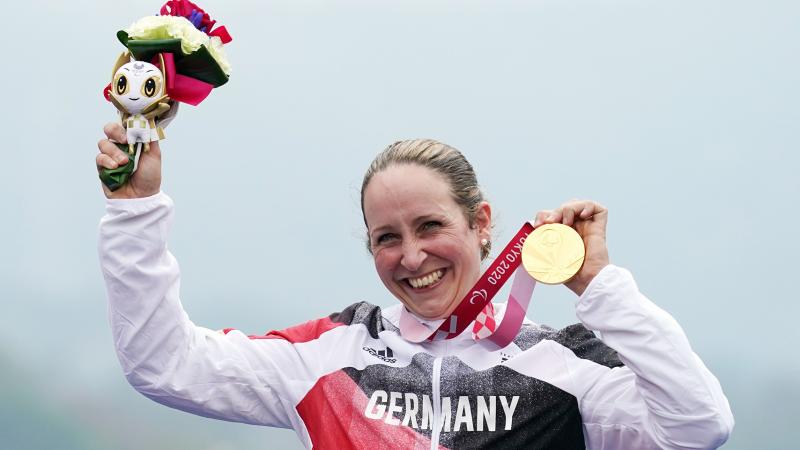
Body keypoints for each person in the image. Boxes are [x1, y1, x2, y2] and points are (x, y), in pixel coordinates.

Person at [96, 124, 734, 449]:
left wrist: (598, 285)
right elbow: (163, 364)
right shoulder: (330, 357)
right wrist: (134, 208)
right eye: (387, 237)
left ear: (482, 223)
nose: (412, 256)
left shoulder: (567, 368)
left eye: (430, 226)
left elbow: (698, 426)